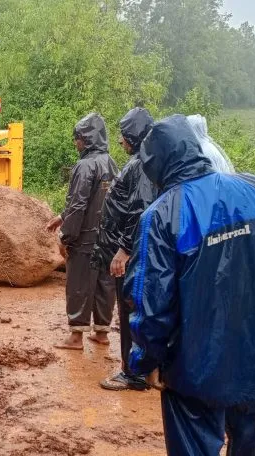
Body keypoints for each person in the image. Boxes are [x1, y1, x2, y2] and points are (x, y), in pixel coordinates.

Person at [124, 115, 255, 455]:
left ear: (155, 165)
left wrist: (143, 362)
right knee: (249, 438)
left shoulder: (161, 215)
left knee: (194, 443)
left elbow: (152, 305)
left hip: (193, 367)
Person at [95, 107, 157, 391]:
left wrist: (124, 249)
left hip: (133, 255)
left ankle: (133, 372)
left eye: (124, 134)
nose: (120, 140)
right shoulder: (146, 161)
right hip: (137, 250)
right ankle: (148, 370)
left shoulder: (141, 165)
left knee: (131, 310)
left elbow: (140, 211)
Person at [47, 112, 119, 349]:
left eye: (78, 138)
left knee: (79, 283)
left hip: (85, 238)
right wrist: (61, 216)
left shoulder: (84, 166)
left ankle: (76, 336)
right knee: (104, 284)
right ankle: (102, 333)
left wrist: (65, 236)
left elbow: (79, 204)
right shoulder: (111, 163)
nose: (76, 142)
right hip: (107, 238)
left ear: (87, 139)